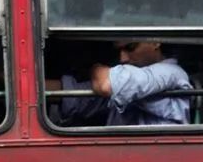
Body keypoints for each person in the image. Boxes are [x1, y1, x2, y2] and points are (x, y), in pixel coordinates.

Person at [51, 41, 192, 127]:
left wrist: (94, 68)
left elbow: (104, 85)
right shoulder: (131, 80)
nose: (122, 58)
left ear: (155, 42)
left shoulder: (170, 72)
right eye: (119, 50)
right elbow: (82, 98)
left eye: (131, 47)